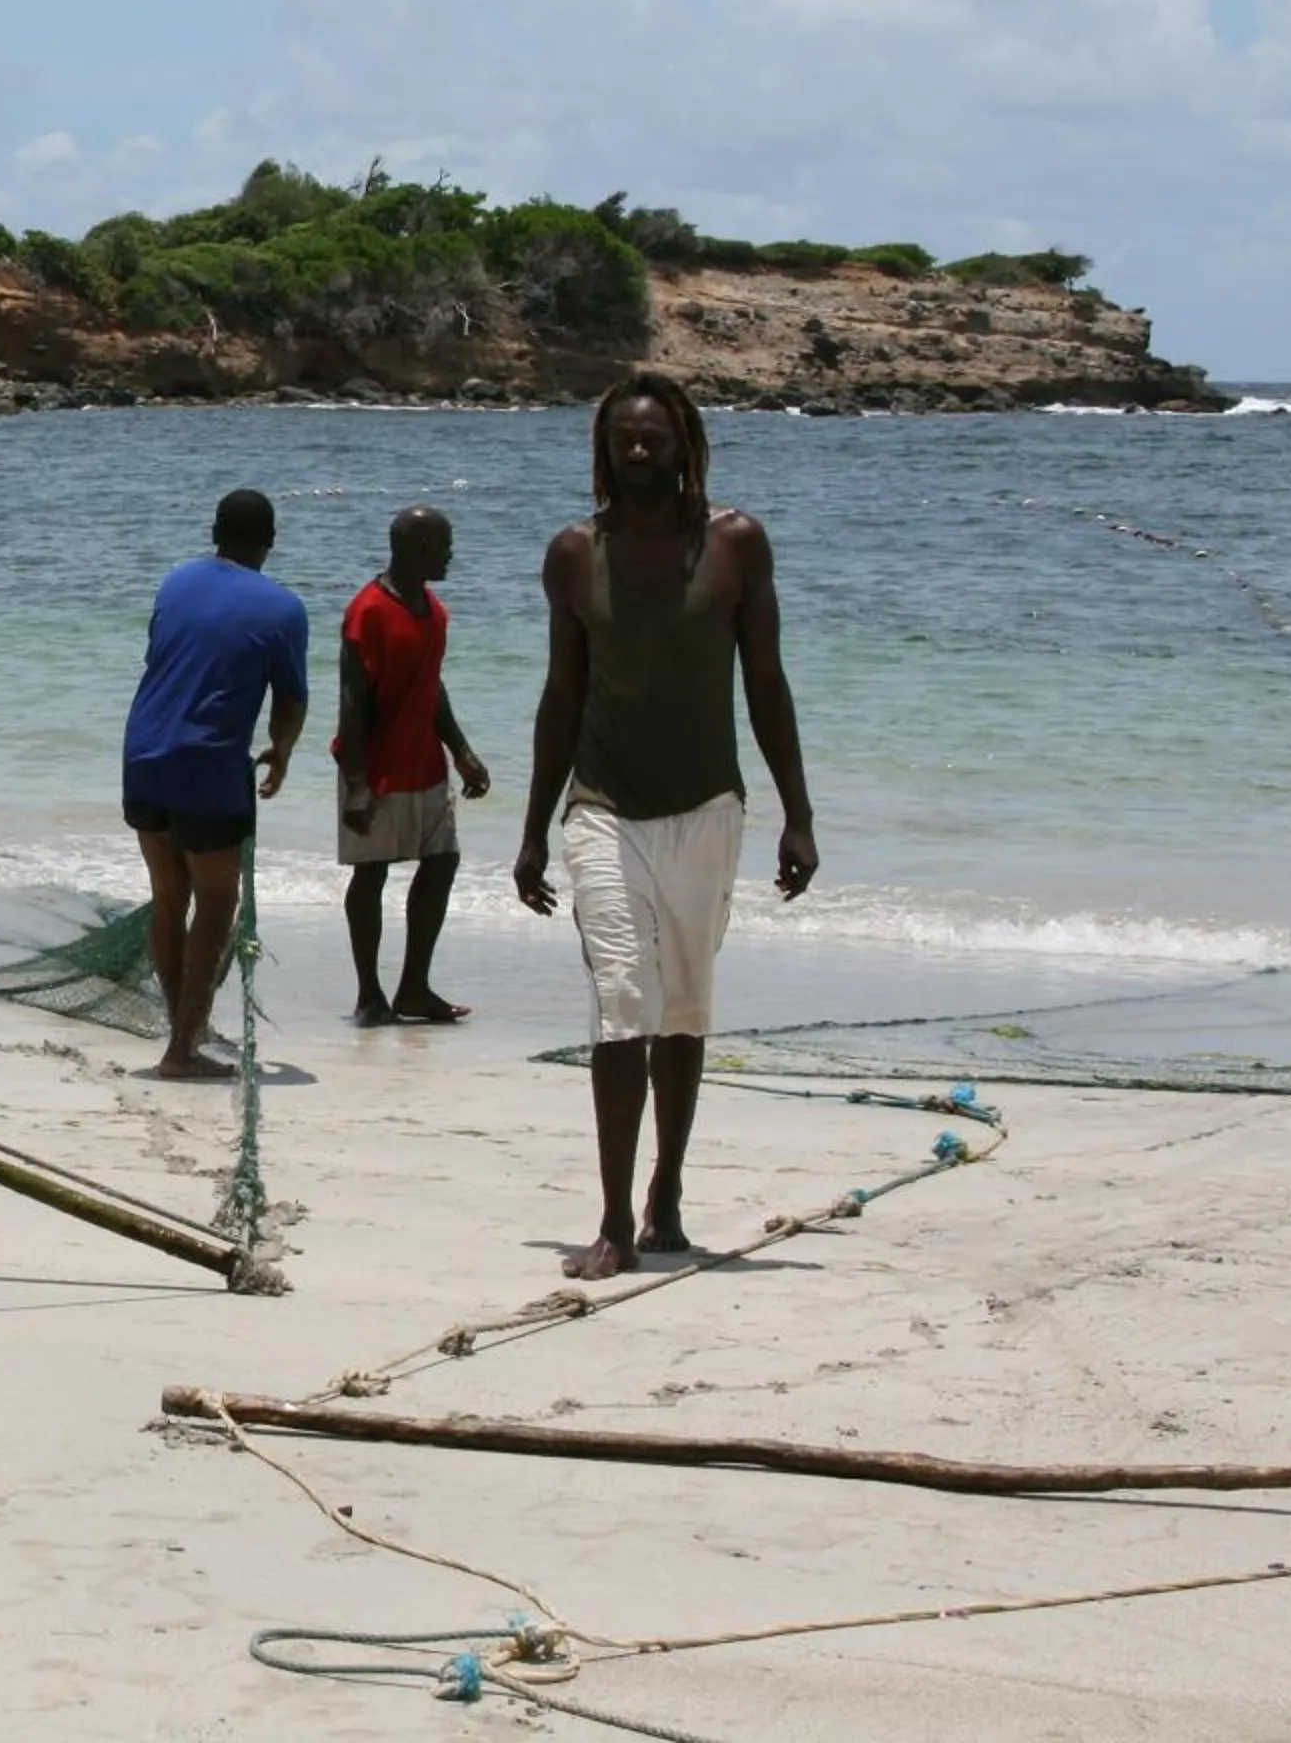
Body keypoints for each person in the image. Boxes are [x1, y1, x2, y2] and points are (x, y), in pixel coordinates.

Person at [513, 373, 818, 1282]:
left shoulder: (735, 545)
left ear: (686, 446)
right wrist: (533, 829)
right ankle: (610, 1220)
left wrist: (798, 814)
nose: (638, 452)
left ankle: (668, 1196)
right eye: (622, 441)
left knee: (682, 1009)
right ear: (603, 453)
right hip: (603, 807)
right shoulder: (574, 554)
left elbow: (766, 682)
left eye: (654, 439)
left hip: (707, 808)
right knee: (622, 1003)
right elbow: (562, 696)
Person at [120, 489, 309, 1081]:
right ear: (270, 541)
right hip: (208, 764)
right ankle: (181, 1047)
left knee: (169, 896)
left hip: (143, 751)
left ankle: (185, 1031)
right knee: (216, 903)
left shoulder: (175, 582)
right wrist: (280, 752)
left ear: (214, 532)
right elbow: (291, 698)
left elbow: (166, 657)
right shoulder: (283, 608)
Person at [336, 505, 491, 1026]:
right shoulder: (368, 611)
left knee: (442, 862)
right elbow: (352, 700)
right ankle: (368, 995)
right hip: (375, 768)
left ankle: (414, 988)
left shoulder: (435, 610)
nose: (451, 554)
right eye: (443, 544)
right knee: (371, 873)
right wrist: (357, 783)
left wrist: (461, 751)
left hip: (424, 763)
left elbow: (432, 686)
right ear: (417, 546)